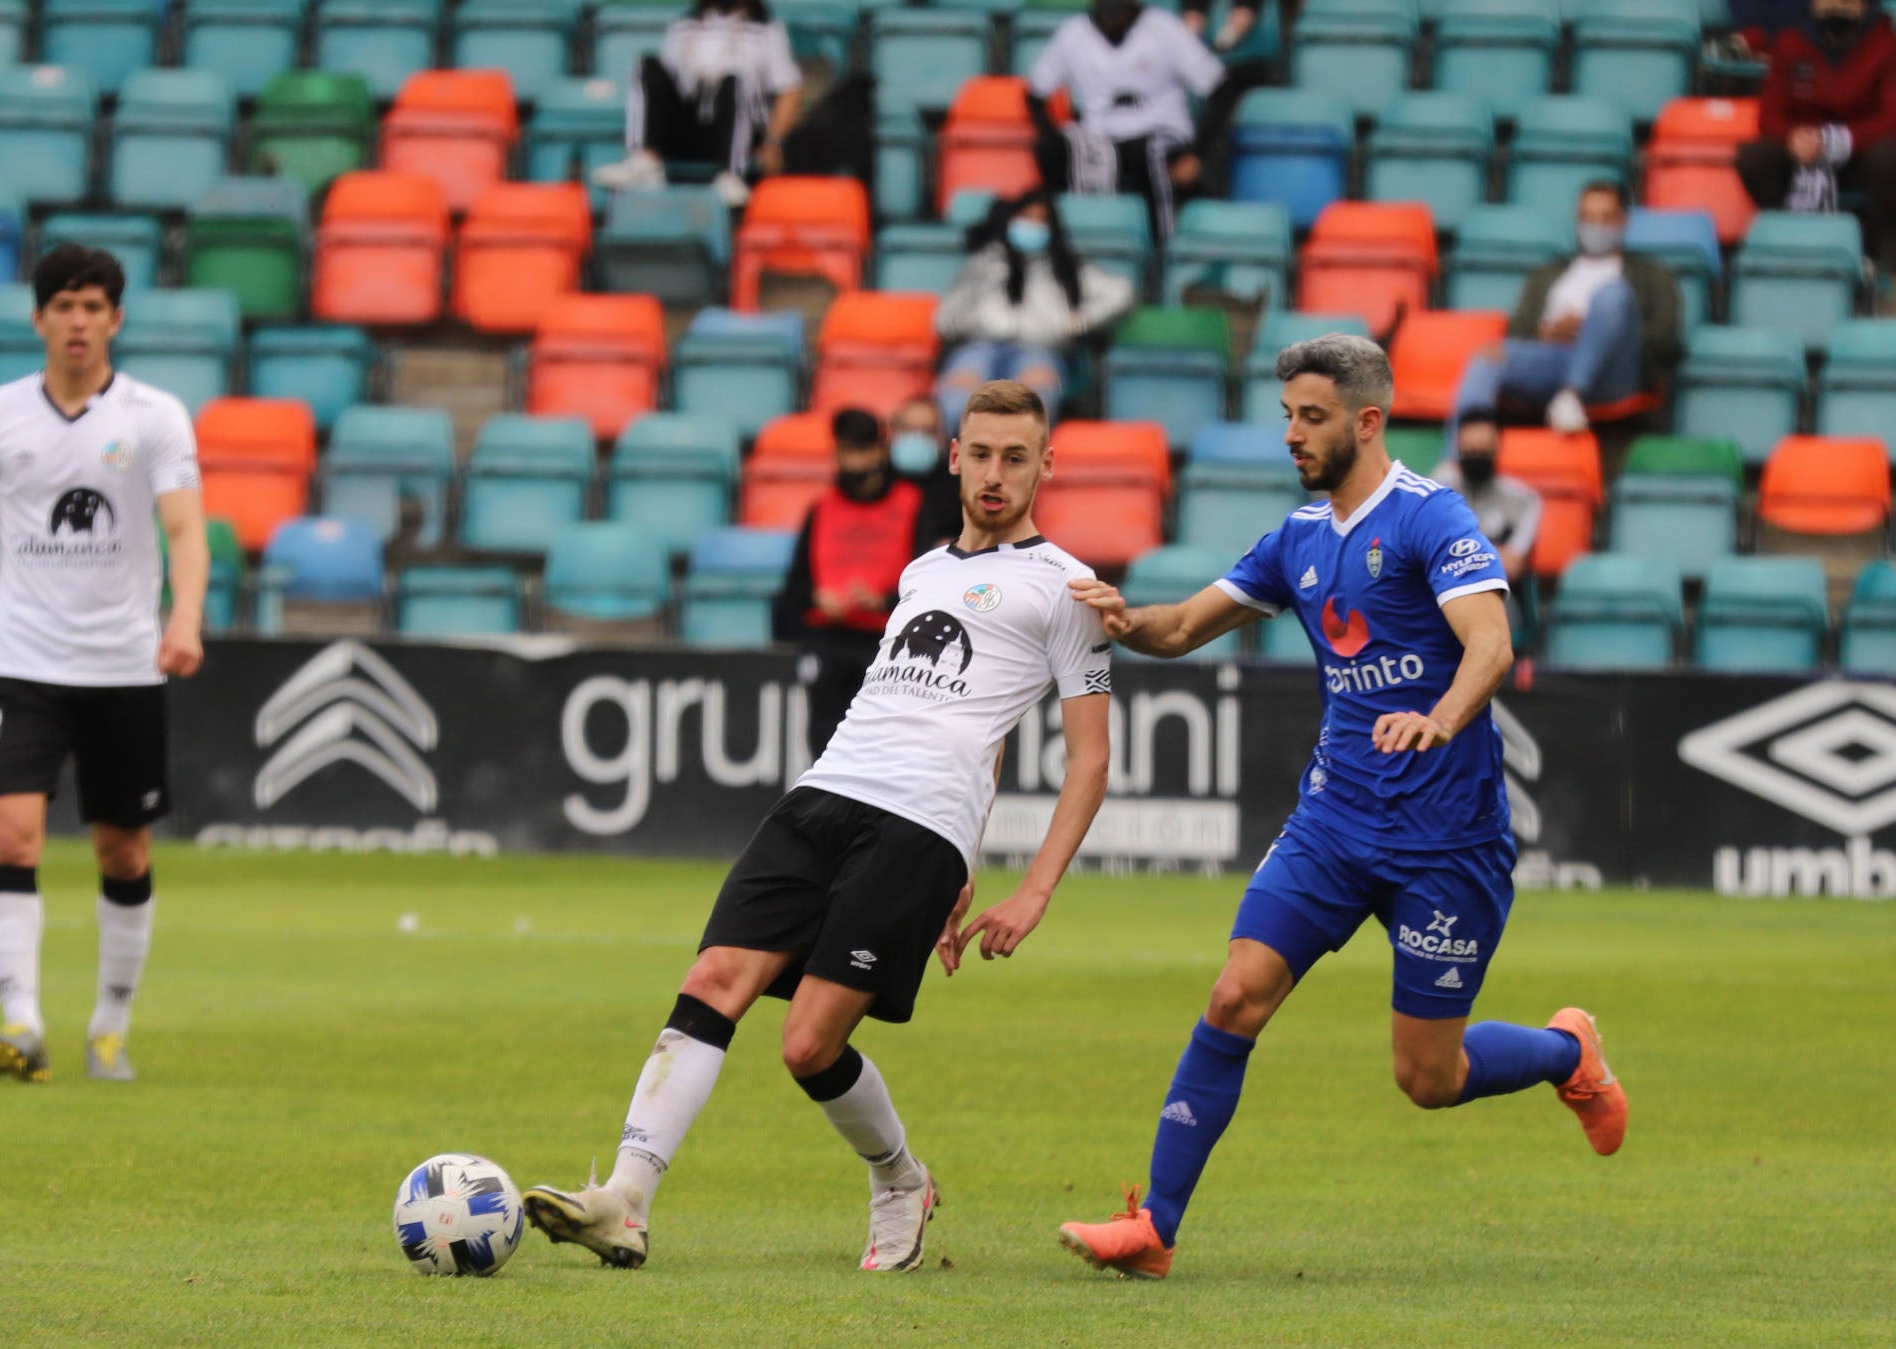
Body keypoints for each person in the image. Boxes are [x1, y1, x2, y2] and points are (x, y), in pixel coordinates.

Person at [1056, 334, 1626, 1280]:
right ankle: (1153, 1226)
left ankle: (1566, 1050)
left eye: (1309, 417)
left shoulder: (1428, 518)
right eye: (1285, 415)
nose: (1292, 434)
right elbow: (1184, 627)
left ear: (1367, 420)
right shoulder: (1298, 539)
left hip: (1447, 841)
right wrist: (1125, 620)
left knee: (1425, 1079)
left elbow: (1489, 643)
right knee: (1235, 993)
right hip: (1333, 822)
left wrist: (1440, 720)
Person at [521, 381, 1114, 1274]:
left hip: (918, 823)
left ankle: (899, 1177)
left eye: (1016, 457)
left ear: (1045, 465)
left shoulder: (1068, 588)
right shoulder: (919, 572)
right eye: (982, 454)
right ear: (954, 456)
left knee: (808, 1044)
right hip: (823, 791)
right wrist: (975, 854)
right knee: (713, 975)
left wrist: (1025, 884)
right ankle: (627, 1202)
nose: (996, 475)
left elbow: (1089, 757)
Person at [0, 245, 207, 1085]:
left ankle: (109, 1024)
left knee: (123, 851)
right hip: (23, 660)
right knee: (10, 830)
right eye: (63, 305)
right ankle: (21, 1020)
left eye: (94, 307)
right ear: (38, 318)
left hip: (123, 667)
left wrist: (184, 616)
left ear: (116, 319)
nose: (77, 321)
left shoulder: (152, 416)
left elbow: (184, 531)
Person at [1449, 182, 1682, 442]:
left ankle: (1572, 395)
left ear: (1623, 221)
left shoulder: (1653, 276)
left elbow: (1666, 340)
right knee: (1489, 355)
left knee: (1611, 295)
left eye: (1605, 217)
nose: (1595, 226)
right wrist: (1546, 333)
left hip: (1616, 371)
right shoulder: (1547, 274)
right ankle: (1460, 460)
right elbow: (1517, 332)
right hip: (1553, 362)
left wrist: (1594, 331)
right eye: (1587, 218)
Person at [771, 408, 927, 761]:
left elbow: (929, 580)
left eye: (862, 450)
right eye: (847, 452)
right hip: (828, 639)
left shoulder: (911, 503)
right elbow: (795, 585)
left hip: (888, 642)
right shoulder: (822, 507)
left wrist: (882, 600)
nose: (854, 462)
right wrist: (816, 596)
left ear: (880, 451)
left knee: (882, 745)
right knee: (825, 744)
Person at [1027, 0, 1236, 240]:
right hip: (1100, 133)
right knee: (1052, 149)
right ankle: (1073, 240)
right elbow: (1035, 96)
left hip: (1161, 130)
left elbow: (1220, 90)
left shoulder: (1165, 28)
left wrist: (1197, 154)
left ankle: (1163, 245)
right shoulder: (1073, 32)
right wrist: (1048, 133)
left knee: (1149, 153)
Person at [934, 188, 1134, 427]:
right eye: (1026, 218)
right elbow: (943, 319)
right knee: (955, 401)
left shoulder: (1065, 266)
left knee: (1032, 409)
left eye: (1041, 220)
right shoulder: (984, 262)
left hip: (1039, 350)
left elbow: (1121, 291)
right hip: (979, 346)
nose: (1033, 226)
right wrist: (970, 319)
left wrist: (1079, 321)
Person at [1734, 0, 1896, 257]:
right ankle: (1787, 241)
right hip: (1801, 153)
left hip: (1858, 156)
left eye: (1846, 1)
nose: (1836, 7)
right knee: (1753, 158)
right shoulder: (1791, 41)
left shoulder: (1889, 45)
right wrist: (1793, 138)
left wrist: (1835, 141)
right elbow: (1769, 116)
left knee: (1893, 158)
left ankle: (1868, 252)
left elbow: (1895, 121)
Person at [596, 0, 804, 208]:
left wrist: (773, 142)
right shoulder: (684, 25)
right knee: (647, 64)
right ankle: (645, 161)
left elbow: (789, 90)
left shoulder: (767, 29)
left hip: (742, 130)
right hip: (690, 128)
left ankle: (732, 174)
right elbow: (667, 85)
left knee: (736, 79)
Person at [1434, 409, 1543, 582]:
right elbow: (1429, 556)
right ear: (1458, 447)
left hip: (1500, 595)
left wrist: (1455, 556)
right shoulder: (1439, 493)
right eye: (1470, 450)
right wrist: (1491, 553)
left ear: (1497, 446)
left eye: (1483, 450)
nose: (1476, 456)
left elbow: (1512, 566)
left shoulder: (1523, 499)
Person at [891, 396, 966, 551]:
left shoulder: (958, 485)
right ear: (894, 430)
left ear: (941, 436)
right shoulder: (876, 481)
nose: (916, 437)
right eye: (908, 429)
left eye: (927, 431)